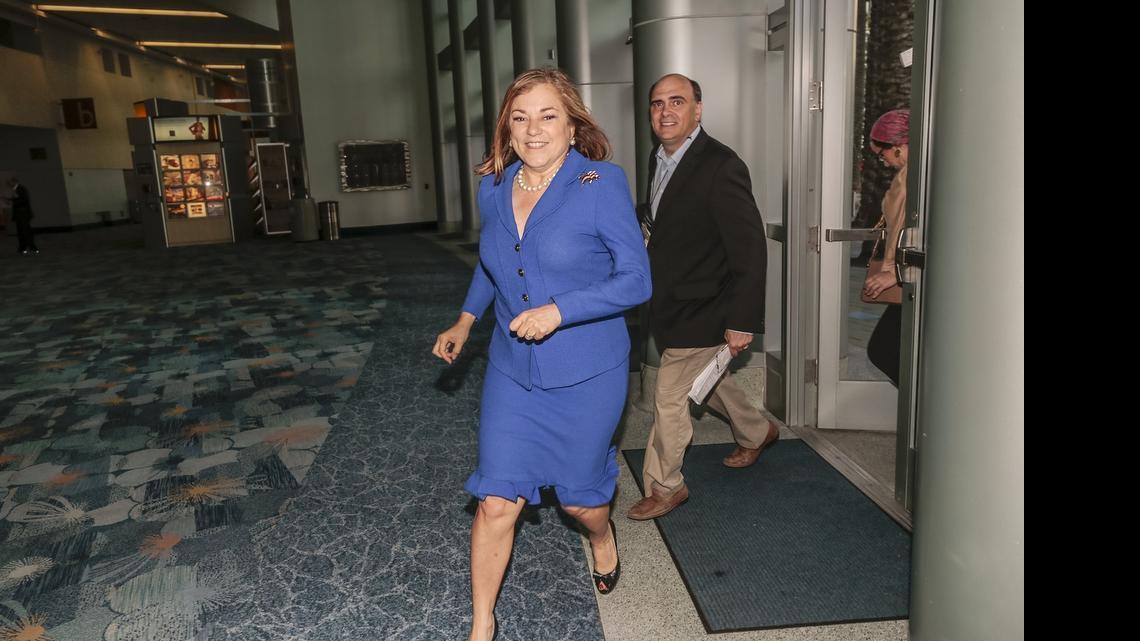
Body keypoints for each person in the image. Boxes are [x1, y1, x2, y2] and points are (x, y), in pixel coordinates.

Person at [432, 68, 651, 641]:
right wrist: (465, 319)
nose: (533, 130)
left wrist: (561, 309)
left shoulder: (600, 182)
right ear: (506, 127)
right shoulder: (495, 186)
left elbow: (636, 281)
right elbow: (496, 262)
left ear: (573, 126)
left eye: (548, 115)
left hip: (587, 372)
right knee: (496, 501)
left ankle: (601, 537)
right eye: (520, 117)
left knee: (581, 503)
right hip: (512, 372)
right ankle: (483, 625)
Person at [627, 73, 777, 522]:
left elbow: (750, 246)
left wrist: (742, 319)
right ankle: (757, 431)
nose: (665, 111)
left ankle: (665, 485)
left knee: (669, 396)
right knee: (708, 381)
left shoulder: (720, 164)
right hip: (672, 303)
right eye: (657, 104)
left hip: (710, 307)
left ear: (698, 109)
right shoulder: (660, 159)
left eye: (677, 101)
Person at [862, 109, 910, 386]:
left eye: (883, 155)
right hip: (908, 276)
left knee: (883, 349)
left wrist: (895, 272)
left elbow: (913, 231)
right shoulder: (907, 176)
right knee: (887, 350)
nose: (883, 162)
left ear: (899, 147)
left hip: (910, 278)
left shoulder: (914, 179)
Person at [6, 177, 38, 255]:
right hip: (20, 214)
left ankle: (31, 247)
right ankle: (23, 248)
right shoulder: (17, 189)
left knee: (25, 231)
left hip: (23, 214)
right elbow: (19, 200)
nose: (9, 184)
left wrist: (12, 200)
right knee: (21, 231)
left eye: (10, 183)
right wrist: (11, 200)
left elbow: (23, 200)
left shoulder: (21, 189)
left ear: (14, 182)